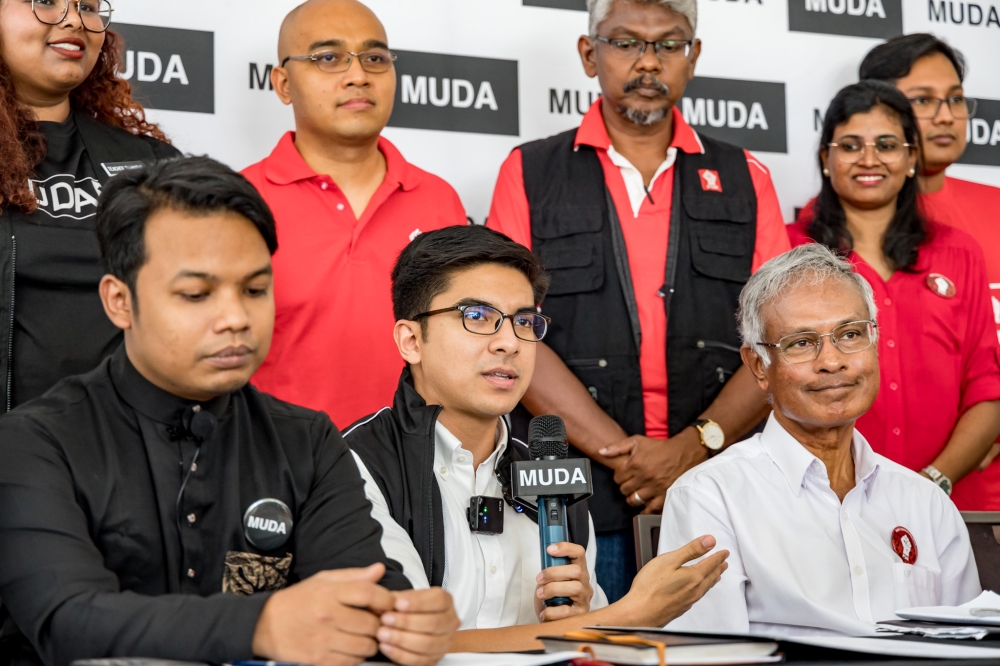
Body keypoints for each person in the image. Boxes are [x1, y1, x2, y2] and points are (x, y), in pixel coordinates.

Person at [0, 157, 459, 666]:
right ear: (119, 301)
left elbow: (369, 598)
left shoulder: (306, 442)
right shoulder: (36, 442)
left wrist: (407, 625)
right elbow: (66, 620)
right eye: (196, 294)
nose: (236, 318)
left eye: (255, 290)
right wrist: (260, 626)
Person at [485, 0, 789, 599]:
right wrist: (626, 457)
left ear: (692, 57)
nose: (648, 61)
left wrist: (693, 446)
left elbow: (776, 340)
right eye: (625, 42)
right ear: (588, 53)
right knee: (588, 641)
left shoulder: (745, 177)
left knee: (720, 644)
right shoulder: (530, 171)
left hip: (719, 484)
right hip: (574, 493)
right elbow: (512, 330)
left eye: (669, 44)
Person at [345, 225, 729, 651]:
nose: (509, 342)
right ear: (412, 340)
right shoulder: (354, 468)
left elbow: (588, 645)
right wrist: (626, 616)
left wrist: (580, 619)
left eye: (525, 322)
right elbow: (407, 647)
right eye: (478, 317)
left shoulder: (556, 479)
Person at [659, 243, 981, 636]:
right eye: (801, 342)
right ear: (758, 366)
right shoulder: (711, 497)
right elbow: (708, 655)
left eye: (850, 334)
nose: (832, 361)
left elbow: (967, 647)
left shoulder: (925, 502)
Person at [242, 0, 467, 429]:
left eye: (375, 58)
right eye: (328, 58)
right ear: (283, 84)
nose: (358, 75)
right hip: (277, 457)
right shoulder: (237, 201)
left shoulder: (439, 199)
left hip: (416, 459)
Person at [787, 81, 1000, 510]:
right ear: (826, 159)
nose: (869, 159)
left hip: (953, 504)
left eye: (886, 145)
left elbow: (986, 388)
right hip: (828, 506)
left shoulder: (958, 252)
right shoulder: (790, 254)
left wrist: (931, 485)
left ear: (911, 158)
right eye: (850, 146)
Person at [0, 0, 180, 413]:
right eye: (45, 1)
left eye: (87, 6)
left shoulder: (154, 165)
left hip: (128, 441)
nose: (74, 19)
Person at [860, 34, 1000, 345]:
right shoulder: (835, 221)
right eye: (923, 100)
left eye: (955, 99)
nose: (947, 117)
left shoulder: (996, 203)